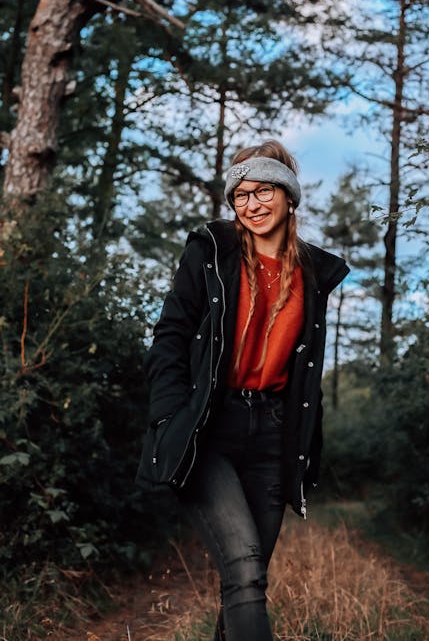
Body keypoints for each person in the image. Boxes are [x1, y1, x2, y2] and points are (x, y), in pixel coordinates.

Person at [136, 140, 349, 641]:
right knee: (244, 568)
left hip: (273, 437)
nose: (250, 205)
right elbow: (169, 336)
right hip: (209, 427)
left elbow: (306, 374)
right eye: (240, 196)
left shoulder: (314, 275)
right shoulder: (211, 251)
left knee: (244, 581)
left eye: (262, 191)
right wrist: (169, 418)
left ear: (289, 196)